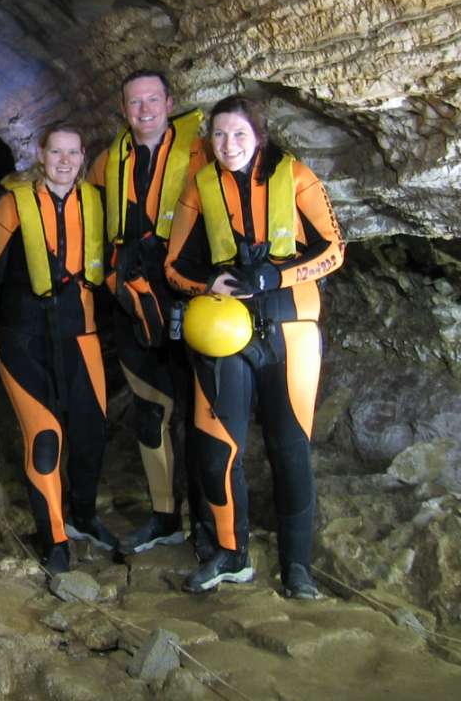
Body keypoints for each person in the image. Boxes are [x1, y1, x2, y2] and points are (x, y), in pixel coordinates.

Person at [164, 95, 344, 598]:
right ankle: (230, 554)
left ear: (258, 136)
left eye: (239, 134)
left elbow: (333, 249)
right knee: (220, 449)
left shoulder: (297, 176)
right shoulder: (200, 187)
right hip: (228, 334)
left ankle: (298, 567)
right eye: (219, 135)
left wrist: (273, 275)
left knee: (290, 451)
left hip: (291, 331)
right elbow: (175, 266)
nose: (229, 145)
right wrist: (208, 284)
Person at [0, 124, 118, 573]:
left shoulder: (96, 204)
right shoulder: (11, 205)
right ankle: (54, 538)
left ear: (82, 156)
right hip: (22, 339)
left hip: (80, 337)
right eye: (56, 151)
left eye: (73, 152)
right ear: (41, 154)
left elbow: (116, 267)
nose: (65, 160)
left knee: (91, 435)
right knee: (45, 439)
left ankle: (84, 516)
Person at [88, 70, 209, 557]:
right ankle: (164, 517)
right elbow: (83, 214)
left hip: (187, 294)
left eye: (152, 100)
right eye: (134, 103)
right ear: (123, 110)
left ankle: (207, 520)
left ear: (169, 102)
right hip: (132, 300)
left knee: (201, 412)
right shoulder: (106, 162)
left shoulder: (200, 153)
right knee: (148, 410)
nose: (144, 110)